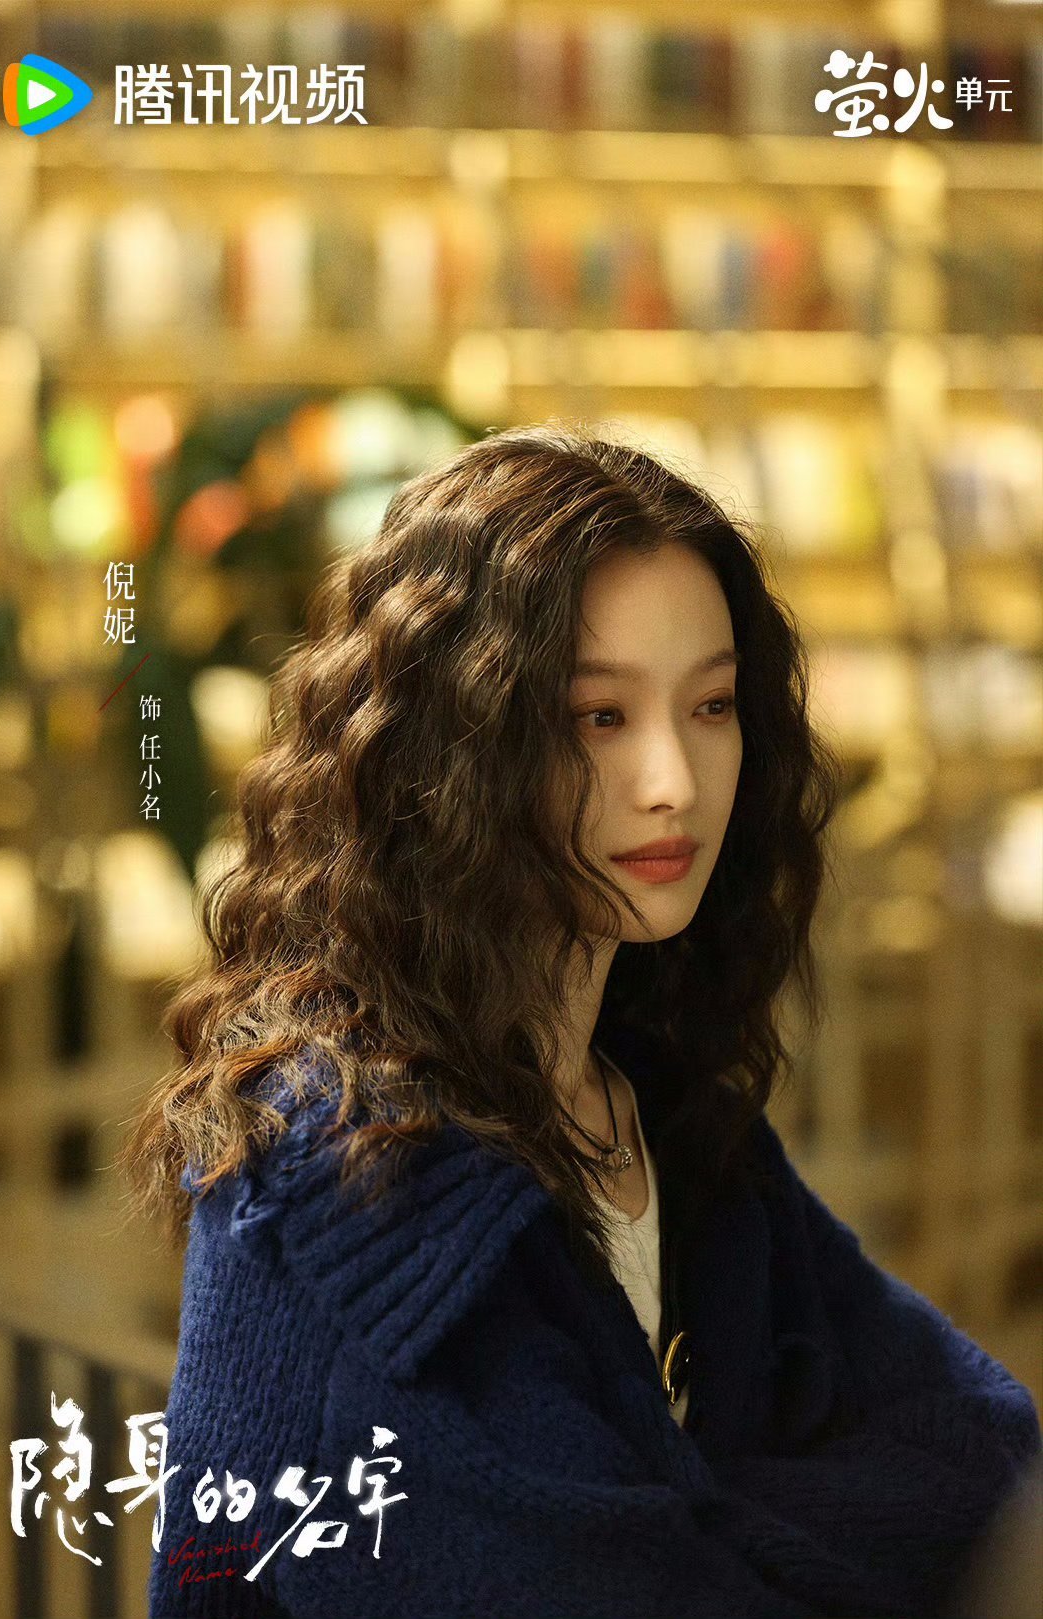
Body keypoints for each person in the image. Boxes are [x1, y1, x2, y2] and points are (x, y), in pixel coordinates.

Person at [122, 423, 1041, 1619]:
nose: (675, 781)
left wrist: (698, 1523)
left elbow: (986, 1440)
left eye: (712, 704)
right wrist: (745, 1523)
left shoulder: (664, 1112)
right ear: (454, 742)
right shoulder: (340, 1168)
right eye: (598, 716)